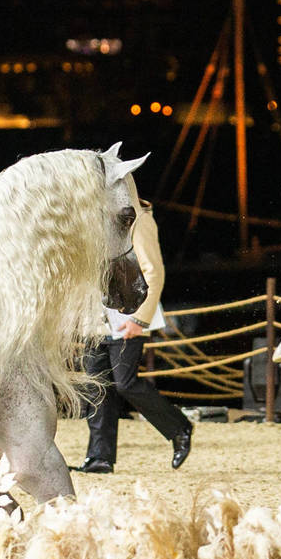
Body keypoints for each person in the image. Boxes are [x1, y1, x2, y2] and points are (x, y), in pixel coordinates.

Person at [72, 201, 194, 474]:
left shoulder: (139, 220)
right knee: (97, 389)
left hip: (127, 316)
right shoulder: (90, 221)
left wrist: (141, 318)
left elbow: (153, 271)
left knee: (125, 383)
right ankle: (99, 457)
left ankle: (179, 427)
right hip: (94, 320)